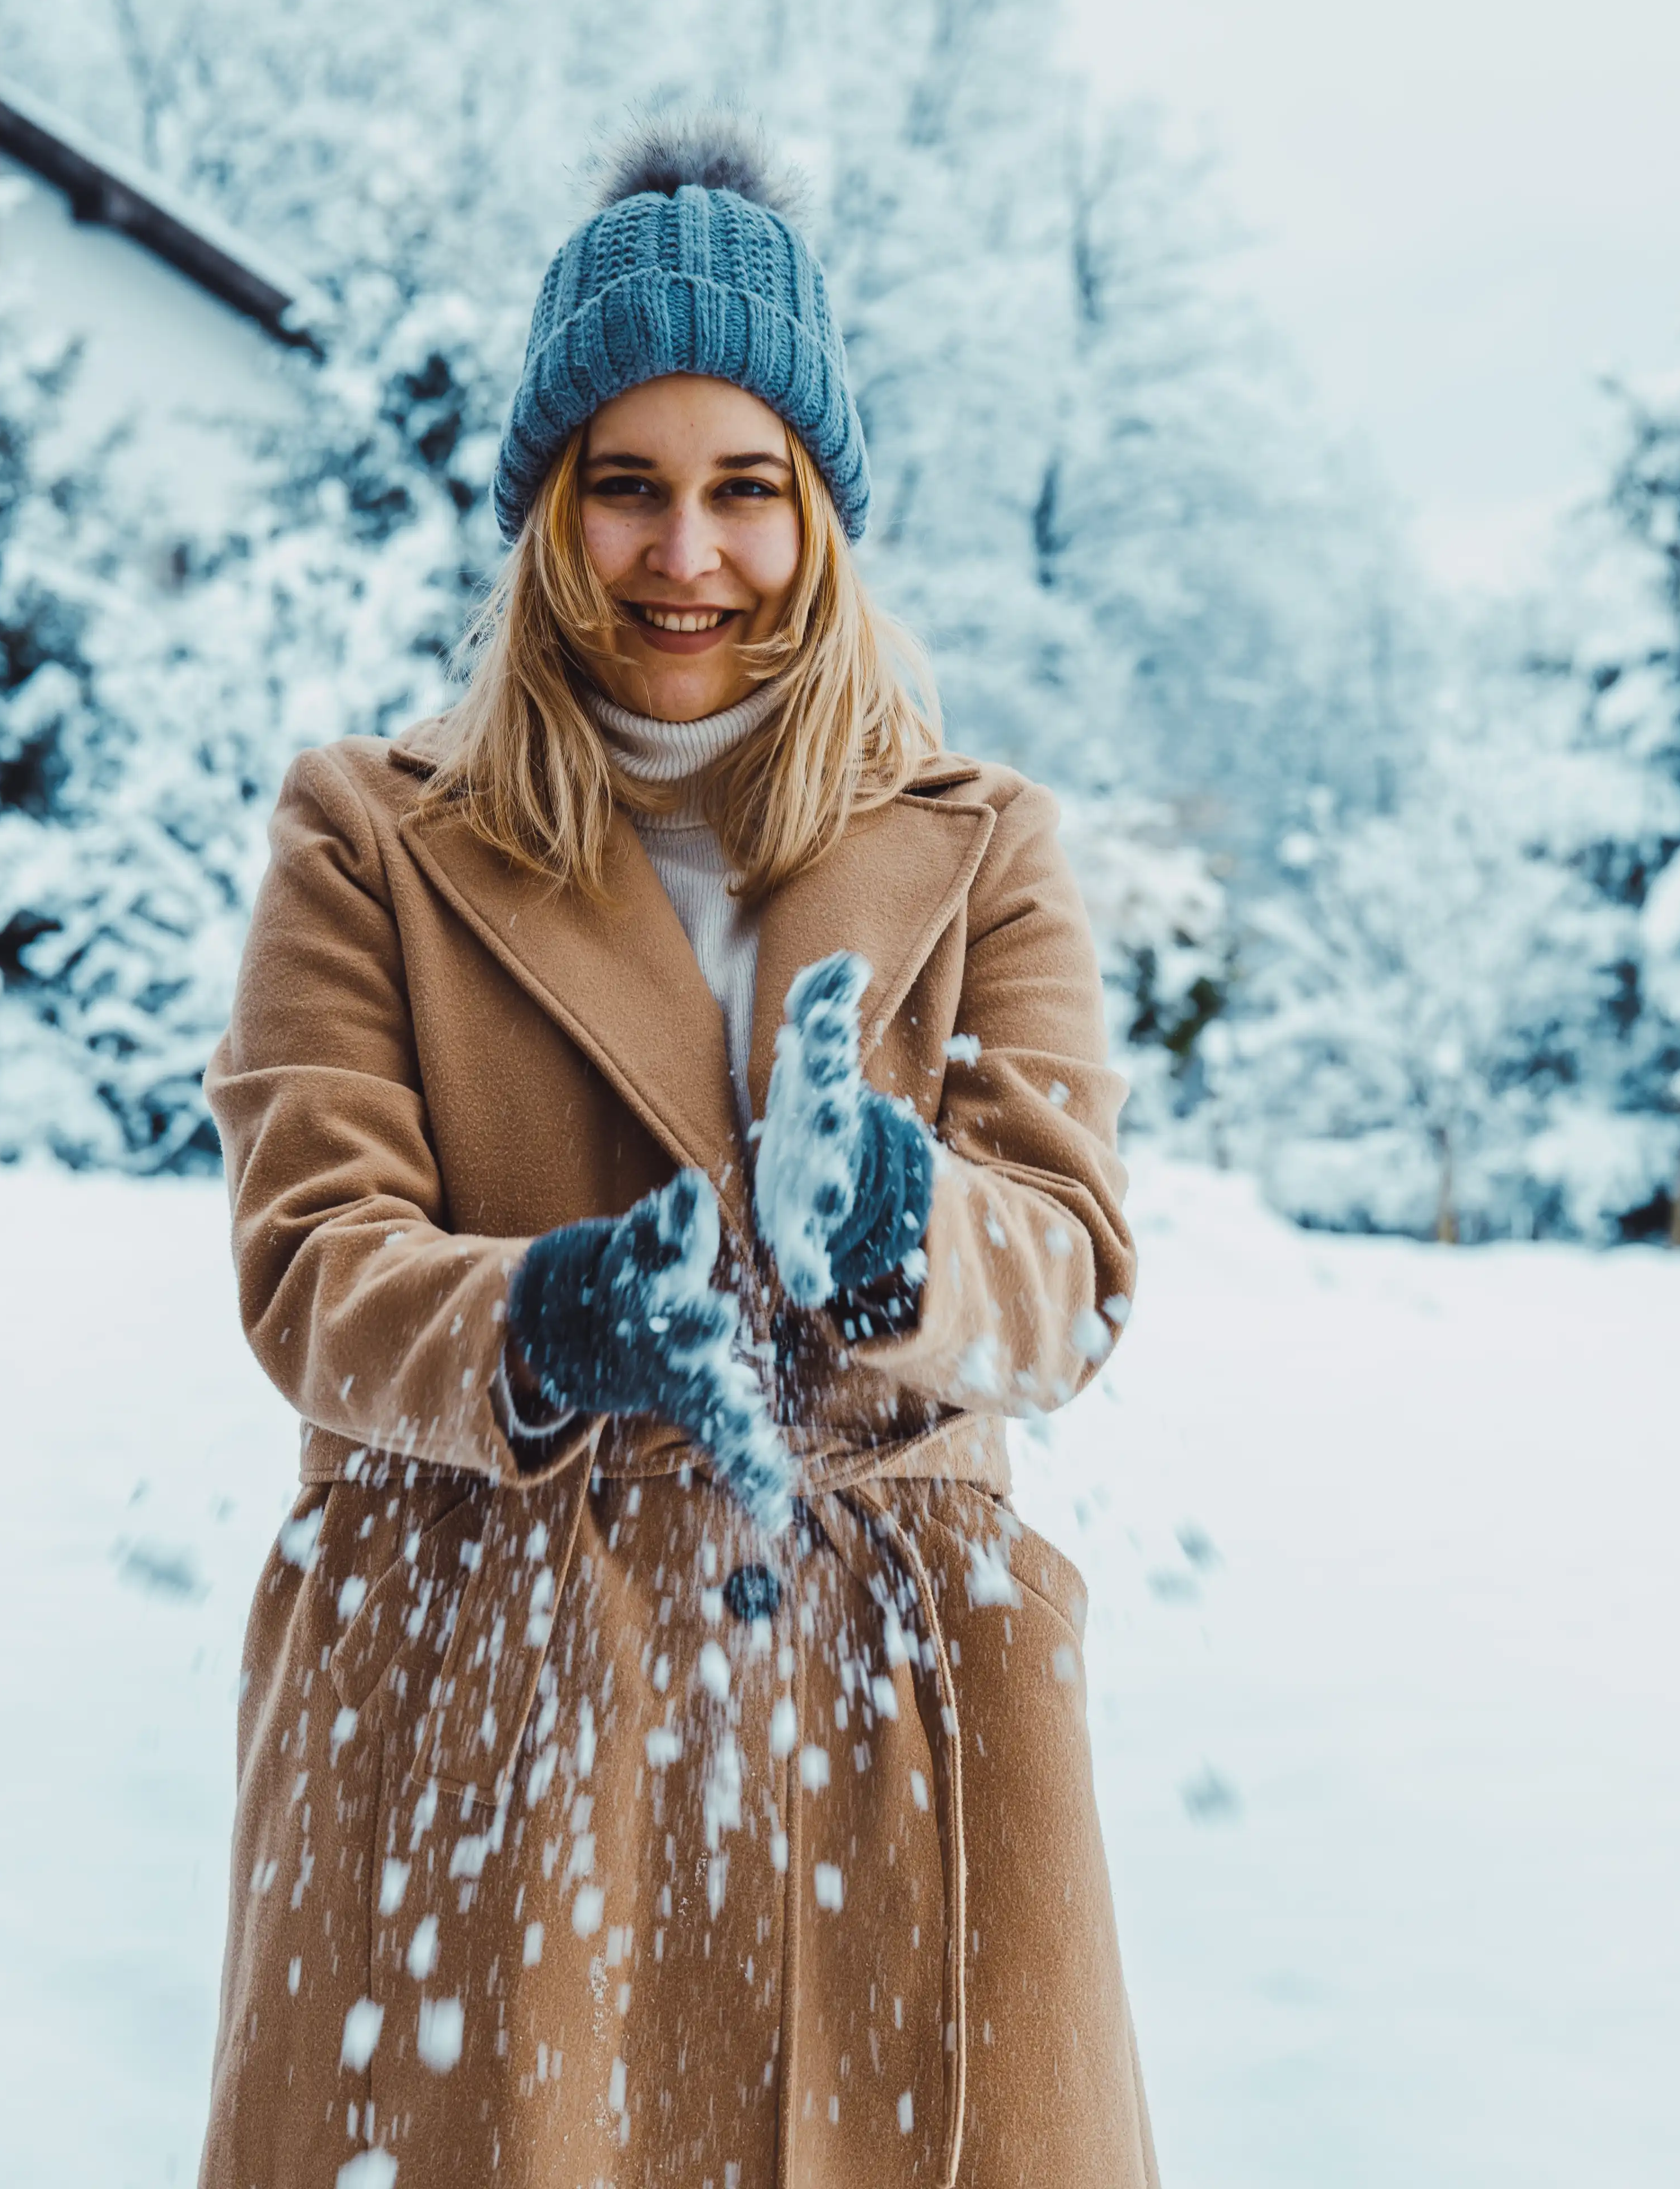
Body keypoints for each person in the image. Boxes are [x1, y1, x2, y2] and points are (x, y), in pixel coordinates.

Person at [200, 117, 1156, 2189]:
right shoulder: (371, 842)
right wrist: (542, 1315)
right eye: (625, 488)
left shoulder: (983, 847)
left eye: (749, 492)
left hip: (890, 1692)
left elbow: (1065, 1271)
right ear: (548, 512)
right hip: (481, 1681)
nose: (687, 558)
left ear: (825, 512)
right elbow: (312, 1267)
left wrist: (904, 1234)